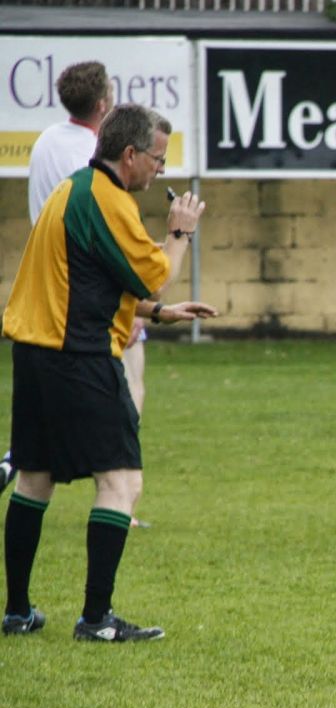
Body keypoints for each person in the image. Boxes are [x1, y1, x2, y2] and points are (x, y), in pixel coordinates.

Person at [1, 103, 218, 640]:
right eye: (158, 159)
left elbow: (94, 282)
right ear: (129, 155)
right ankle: (97, 620)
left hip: (34, 350)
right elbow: (155, 277)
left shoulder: (72, 190)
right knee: (121, 482)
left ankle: (18, 612)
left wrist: (162, 316)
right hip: (78, 356)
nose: (161, 170)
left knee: (34, 478)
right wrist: (181, 232)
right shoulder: (109, 201)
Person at [2, 61, 152, 510]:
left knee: (45, 414)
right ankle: (119, 490)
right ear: (104, 105)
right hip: (87, 294)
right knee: (127, 386)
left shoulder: (46, 141)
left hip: (46, 282)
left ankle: (24, 461)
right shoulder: (93, 159)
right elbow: (102, 227)